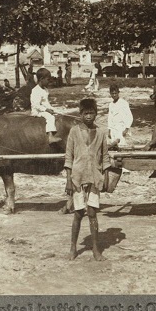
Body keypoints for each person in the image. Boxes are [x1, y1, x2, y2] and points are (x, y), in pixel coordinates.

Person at [65, 98, 110, 261]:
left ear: (96, 114)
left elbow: (105, 156)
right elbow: (68, 157)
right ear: (80, 114)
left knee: (92, 213)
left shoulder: (101, 132)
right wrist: (68, 181)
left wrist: (105, 177)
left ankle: (96, 250)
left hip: (95, 177)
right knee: (78, 213)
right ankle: (73, 247)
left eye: (92, 113)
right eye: (86, 113)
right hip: (77, 177)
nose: (89, 116)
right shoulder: (74, 131)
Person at [30, 71, 60, 146]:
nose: (49, 82)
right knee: (50, 117)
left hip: (44, 109)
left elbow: (46, 103)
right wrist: (46, 110)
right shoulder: (35, 90)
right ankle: (50, 136)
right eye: (48, 80)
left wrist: (52, 109)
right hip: (37, 111)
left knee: (58, 112)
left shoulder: (45, 90)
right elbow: (36, 105)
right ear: (41, 79)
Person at [107, 83, 133, 148]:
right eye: (112, 93)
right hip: (113, 129)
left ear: (118, 93)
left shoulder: (124, 103)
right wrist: (109, 130)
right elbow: (110, 118)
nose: (114, 95)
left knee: (121, 146)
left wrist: (126, 129)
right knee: (114, 146)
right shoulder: (111, 104)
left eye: (115, 93)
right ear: (110, 94)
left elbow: (130, 117)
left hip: (121, 128)